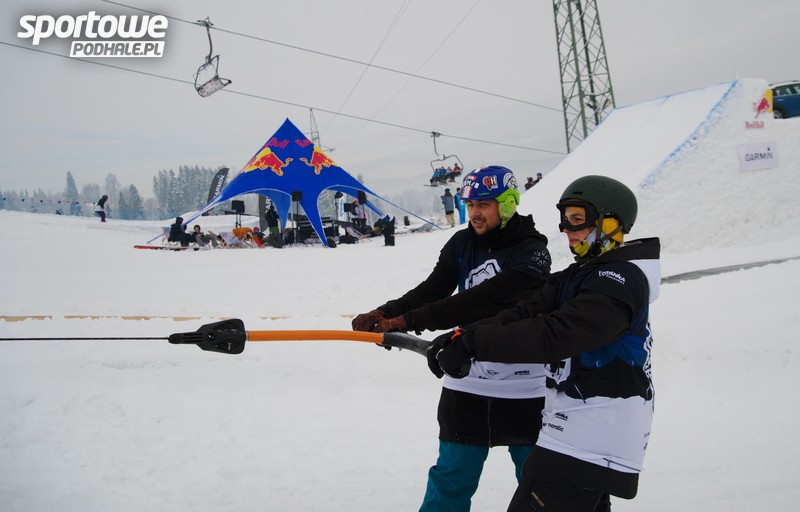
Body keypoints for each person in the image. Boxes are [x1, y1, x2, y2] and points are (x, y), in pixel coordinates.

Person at [431, 175, 661, 512]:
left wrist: (474, 344)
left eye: (578, 219)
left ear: (612, 222)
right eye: (565, 219)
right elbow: (528, 309)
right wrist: (461, 336)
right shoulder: (583, 273)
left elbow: (554, 334)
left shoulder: (619, 280)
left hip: (594, 435)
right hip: (574, 429)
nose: (567, 229)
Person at [352, 166, 552, 512]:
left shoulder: (532, 253)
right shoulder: (461, 243)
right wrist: (384, 312)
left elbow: (481, 300)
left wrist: (406, 321)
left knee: (540, 483)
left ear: (508, 205)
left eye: (484, 204)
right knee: (451, 477)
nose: (474, 213)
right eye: (470, 204)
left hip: (525, 385)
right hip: (466, 376)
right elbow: (433, 289)